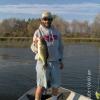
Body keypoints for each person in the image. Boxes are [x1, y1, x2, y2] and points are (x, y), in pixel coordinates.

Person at [31, 11, 64, 100]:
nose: (47, 21)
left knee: (55, 86)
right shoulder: (37, 32)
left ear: (51, 20)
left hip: (55, 63)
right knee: (40, 86)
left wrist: (60, 60)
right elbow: (33, 49)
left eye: (49, 19)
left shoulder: (57, 32)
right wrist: (35, 45)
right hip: (42, 62)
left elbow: (60, 47)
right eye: (45, 19)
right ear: (41, 20)